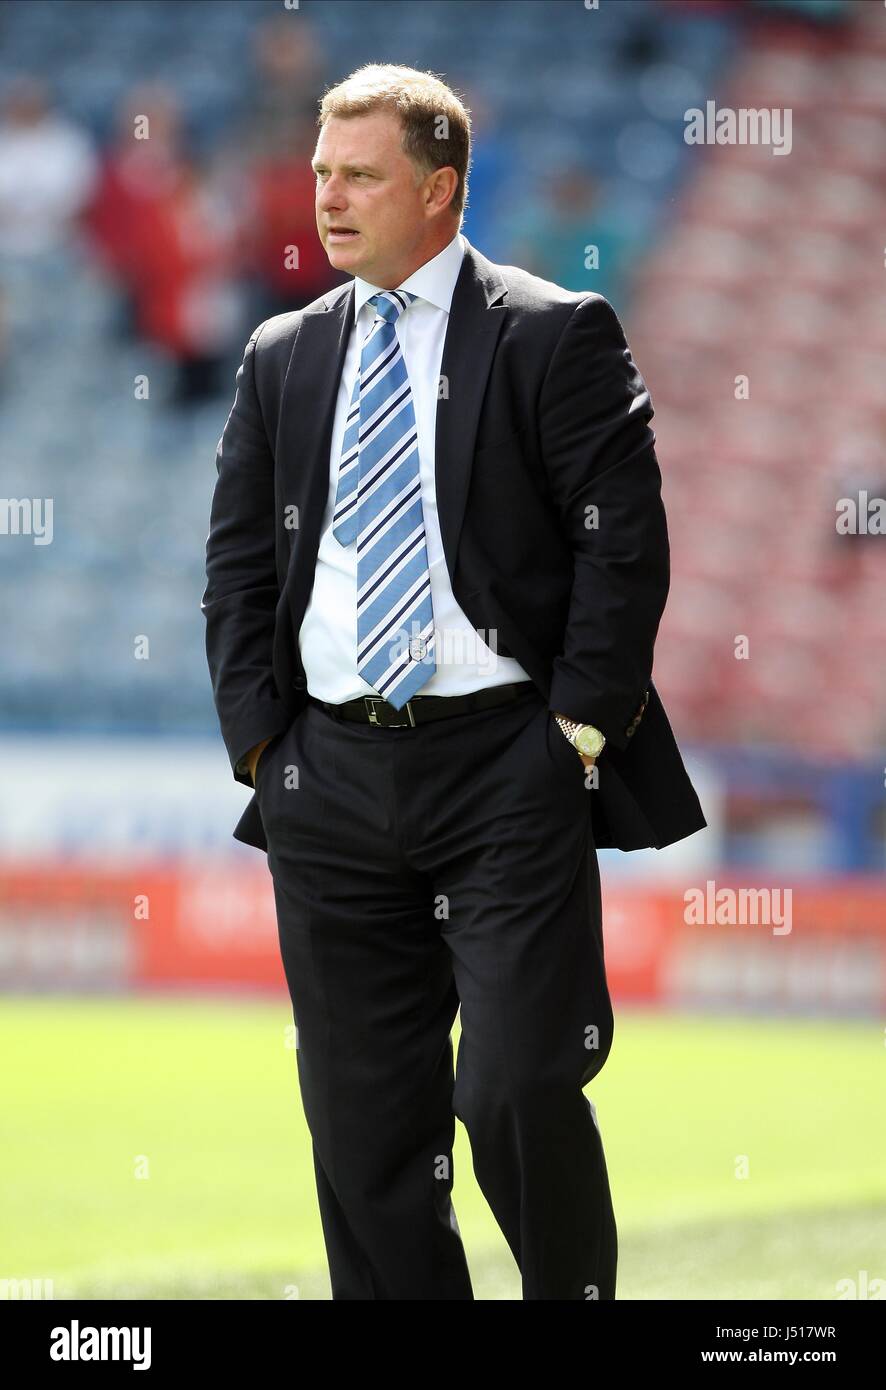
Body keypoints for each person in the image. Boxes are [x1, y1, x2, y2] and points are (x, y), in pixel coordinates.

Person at [202, 63, 706, 1301]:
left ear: (438, 188)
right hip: (327, 776)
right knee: (368, 1134)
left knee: (515, 1083)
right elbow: (234, 565)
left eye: (358, 175)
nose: (326, 196)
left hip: (507, 772)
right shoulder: (279, 354)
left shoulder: (552, 331)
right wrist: (266, 747)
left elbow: (622, 550)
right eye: (322, 173)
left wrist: (573, 738)